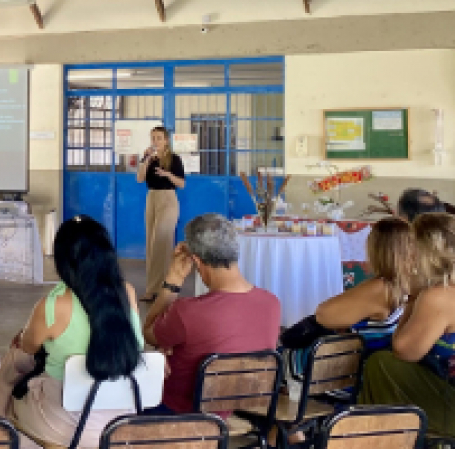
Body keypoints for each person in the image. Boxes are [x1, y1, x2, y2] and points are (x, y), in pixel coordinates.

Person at [0, 216, 143, 449]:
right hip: (122, 421)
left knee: (8, 371)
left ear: (63, 261)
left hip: (63, 426)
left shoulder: (54, 304)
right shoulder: (126, 292)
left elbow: (27, 346)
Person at [143, 213, 280, 413]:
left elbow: (149, 333)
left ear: (197, 262)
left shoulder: (186, 311)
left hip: (184, 415)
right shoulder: (271, 303)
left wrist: (173, 281)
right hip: (245, 409)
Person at [359, 212, 455, 437]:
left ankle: (378, 445)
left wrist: (413, 298)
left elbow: (405, 351)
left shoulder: (439, 295)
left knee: (380, 363)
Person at [281, 217, 413, 366]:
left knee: (285, 351)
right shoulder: (410, 284)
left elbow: (323, 314)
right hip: (381, 361)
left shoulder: (382, 287)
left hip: (361, 368)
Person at [137, 126, 185, 303]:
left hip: (168, 199)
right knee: (151, 243)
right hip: (152, 198)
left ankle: (164, 287)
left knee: (161, 242)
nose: (155, 141)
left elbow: (181, 184)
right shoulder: (149, 158)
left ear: (166, 140)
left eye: (159, 138)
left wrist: (167, 174)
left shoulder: (175, 159)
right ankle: (152, 288)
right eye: (153, 138)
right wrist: (145, 161)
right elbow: (140, 179)